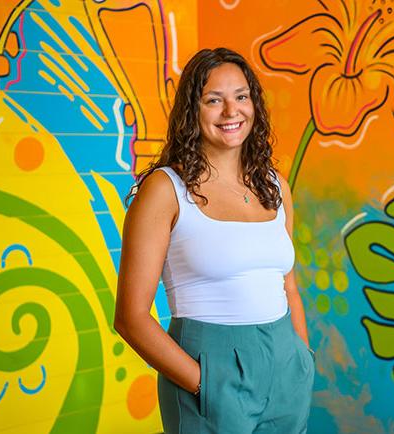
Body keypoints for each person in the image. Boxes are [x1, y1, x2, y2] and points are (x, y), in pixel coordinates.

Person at [114, 47, 315, 434]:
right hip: (209, 369)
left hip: (286, 371)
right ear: (192, 110)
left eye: (241, 96)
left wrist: (301, 359)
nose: (231, 112)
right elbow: (131, 318)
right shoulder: (164, 190)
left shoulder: (275, 185)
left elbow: (288, 284)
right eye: (213, 100)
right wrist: (205, 385)